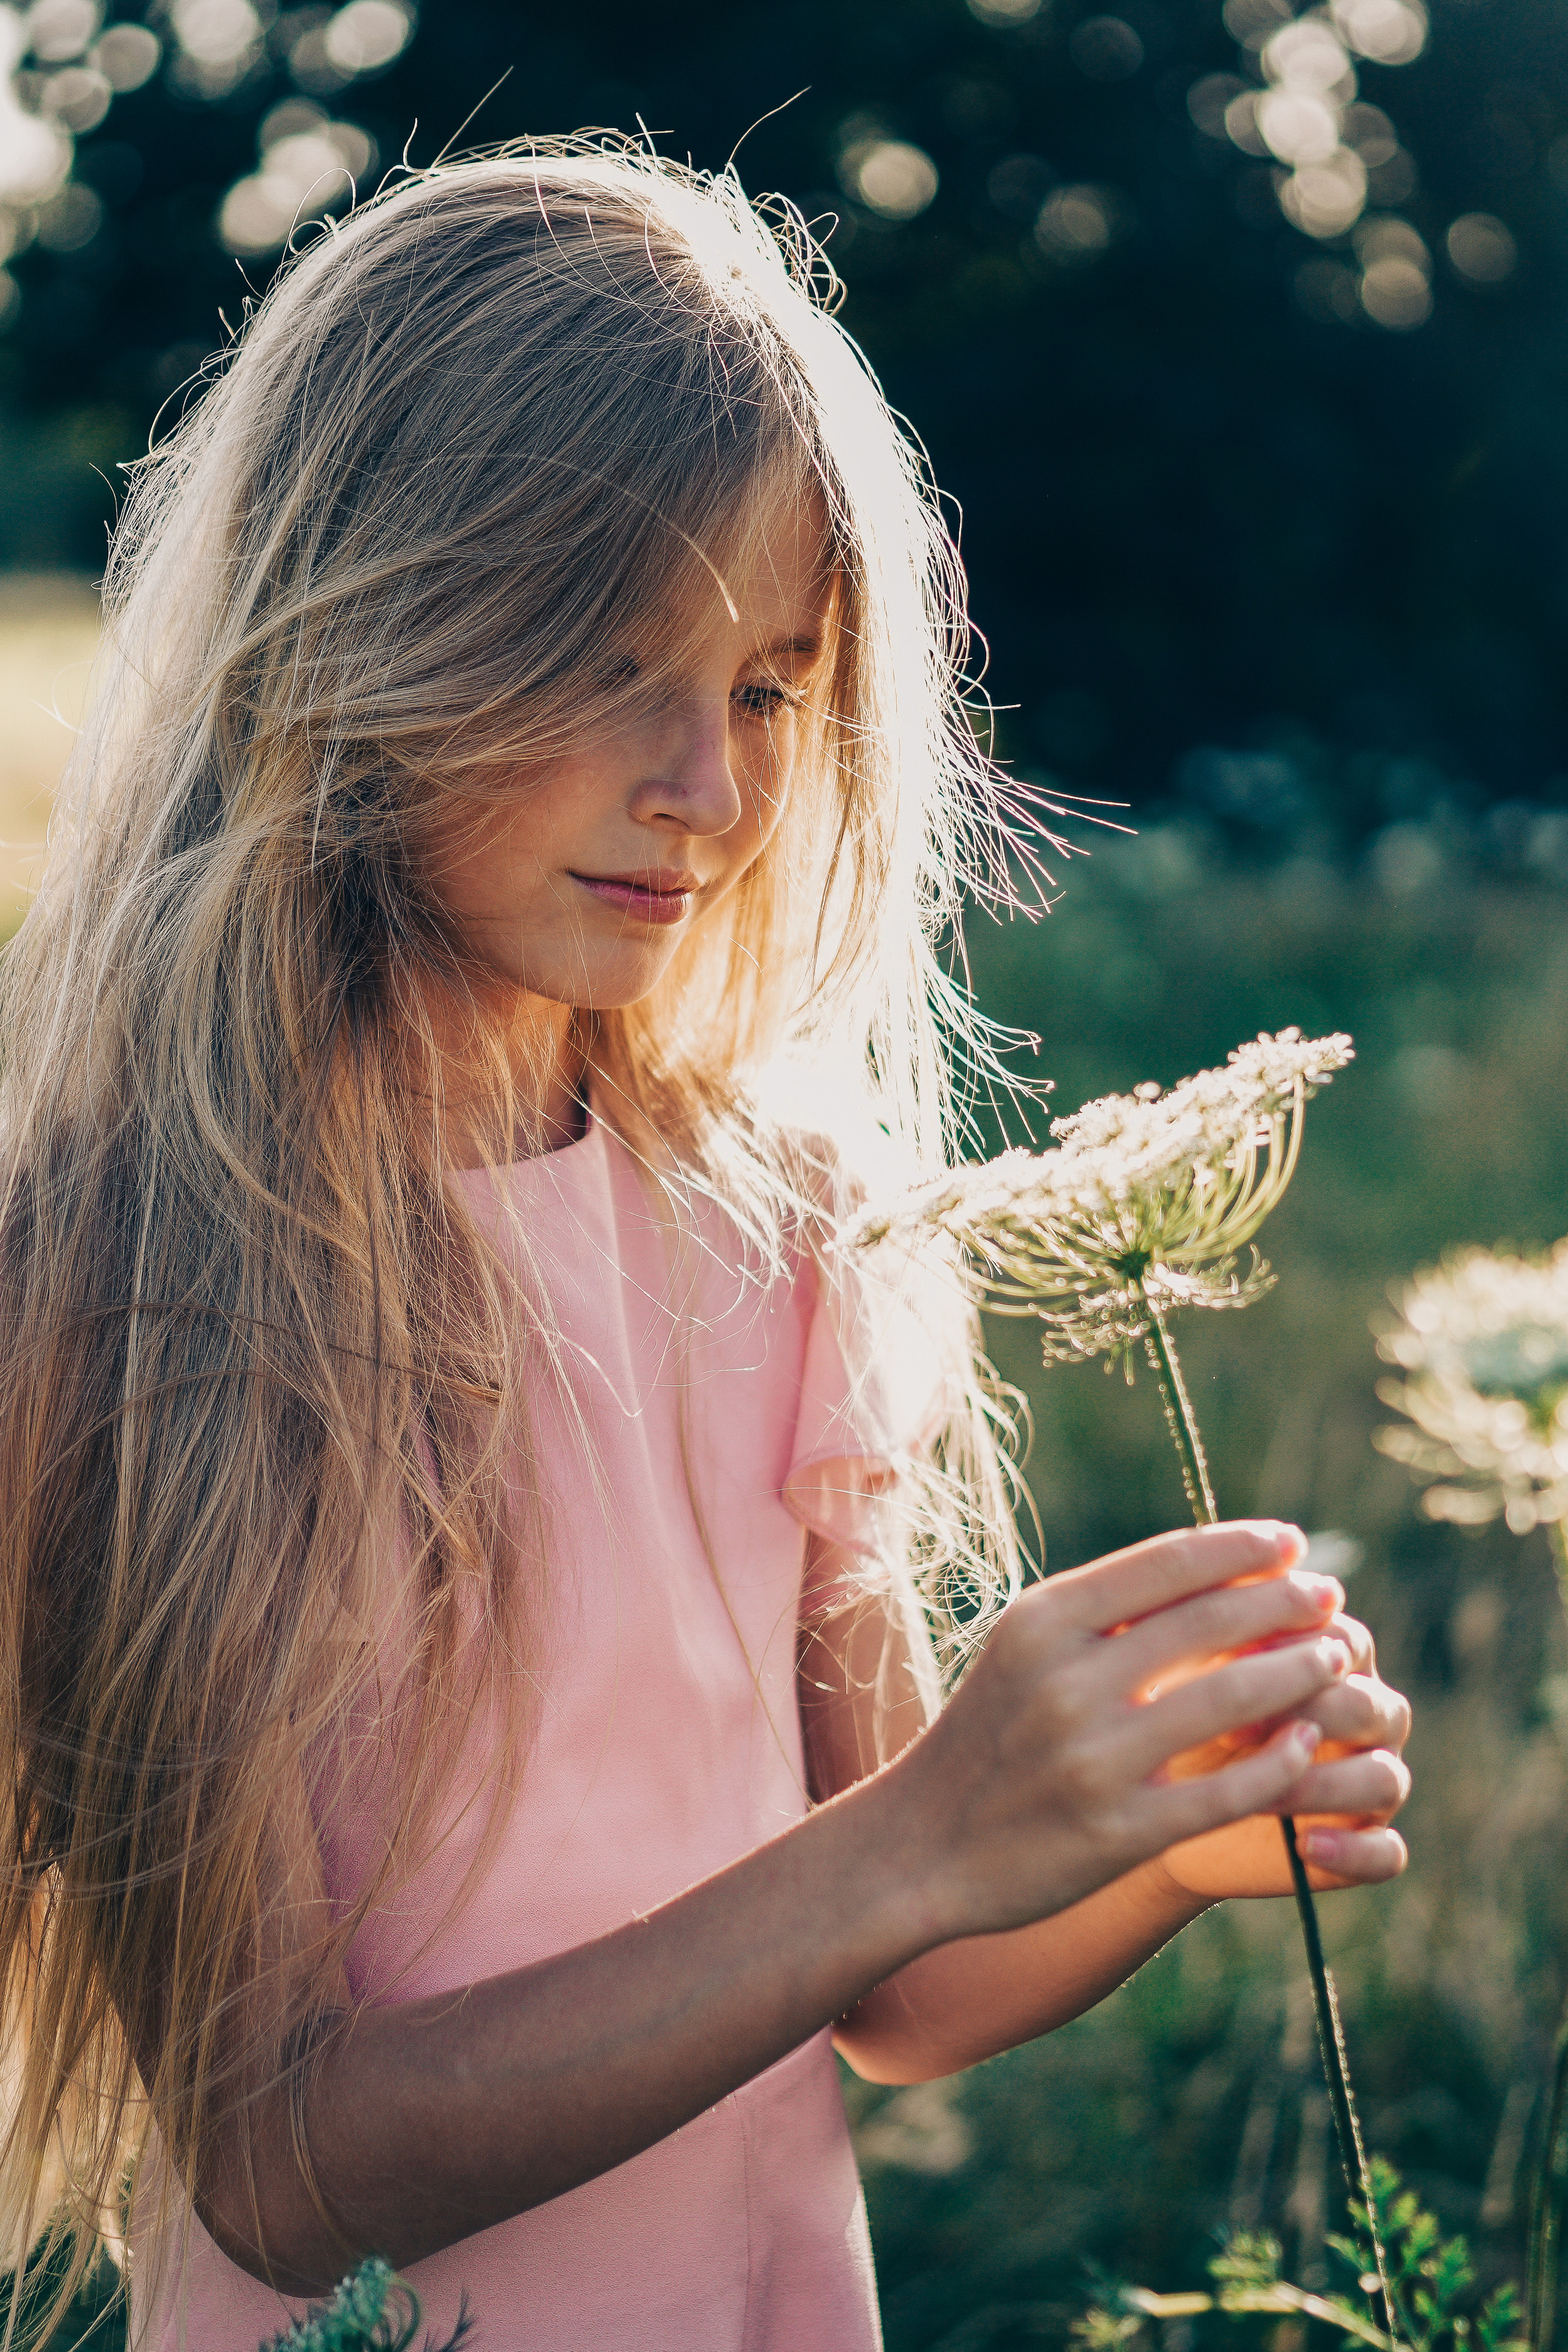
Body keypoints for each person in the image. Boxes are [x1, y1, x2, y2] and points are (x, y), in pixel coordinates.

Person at [0, 146, 1410, 2352]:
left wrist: (1151, 1828)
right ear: (368, 621)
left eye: (770, 687)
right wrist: (918, 1843)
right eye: (615, 665)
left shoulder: (789, 1229)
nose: (715, 790)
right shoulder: (134, 1278)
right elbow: (282, 2169)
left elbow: (907, 1983)